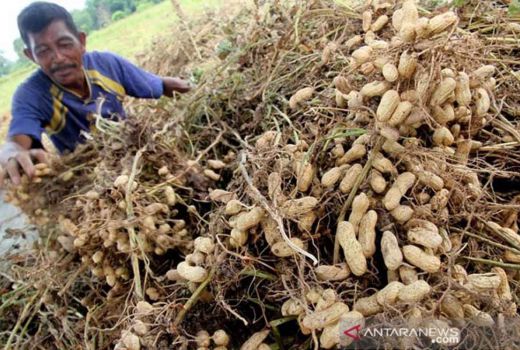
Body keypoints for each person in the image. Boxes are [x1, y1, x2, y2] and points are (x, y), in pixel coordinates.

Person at [0, 1, 191, 187]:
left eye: (65, 44)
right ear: (31, 56)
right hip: (87, 183)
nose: (58, 58)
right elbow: (17, 140)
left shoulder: (108, 65)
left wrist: (195, 86)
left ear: (81, 41)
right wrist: (10, 152)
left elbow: (159, 85)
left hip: (137, 157)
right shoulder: (32, 94)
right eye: (43, 51)